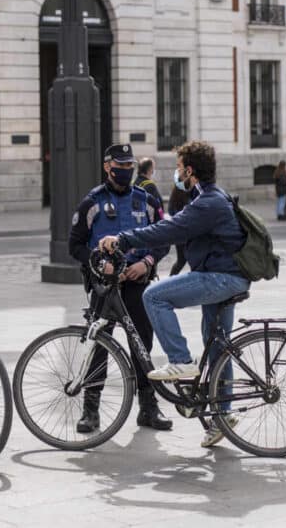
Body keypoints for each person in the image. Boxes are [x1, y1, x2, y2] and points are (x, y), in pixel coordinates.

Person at [98, 140, 250, 448]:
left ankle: (180, 361)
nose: (176, 173)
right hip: (227, 275)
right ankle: (224, 415)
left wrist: (124, 240)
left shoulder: (208, 202)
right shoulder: (208, 197)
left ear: (190, 171)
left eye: (180, 167)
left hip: (221, 278)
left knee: (154, 296)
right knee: (217, 341)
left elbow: (169, 230)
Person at [68, 143, 172, 433]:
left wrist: (147, 263)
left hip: (137, 284)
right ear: (107, 167)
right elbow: (74, 245)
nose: (126, 171)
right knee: (99, 346)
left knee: (142, 346)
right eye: (120, 166)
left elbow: (163, 239)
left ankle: (148, 408)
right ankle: (91, 410)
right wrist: (99, 263)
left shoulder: (147, 200)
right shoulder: (92, 202)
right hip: (104, 288)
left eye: (130, 166)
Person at [167, 185, 189, 275]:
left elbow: (170, 211)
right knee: (194, 261)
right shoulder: (190, 194)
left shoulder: (174, 194)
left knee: (180, 261)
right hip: (190, 233)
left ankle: (170, 281)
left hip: (178, 233)